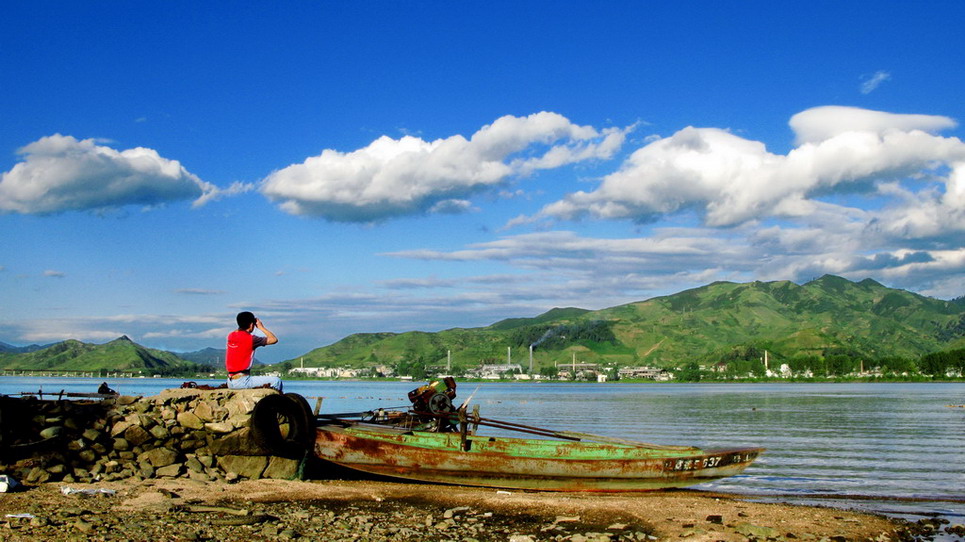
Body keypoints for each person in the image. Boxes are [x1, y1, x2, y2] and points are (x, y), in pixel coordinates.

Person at [225, 311, 282, 392]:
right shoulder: (251, 339)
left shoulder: (231, 336)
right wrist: (261, 327)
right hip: (242, 381)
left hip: (230, 382)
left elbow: (238, 330)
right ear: (251, 324)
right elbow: (274, 339)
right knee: (276, 381)